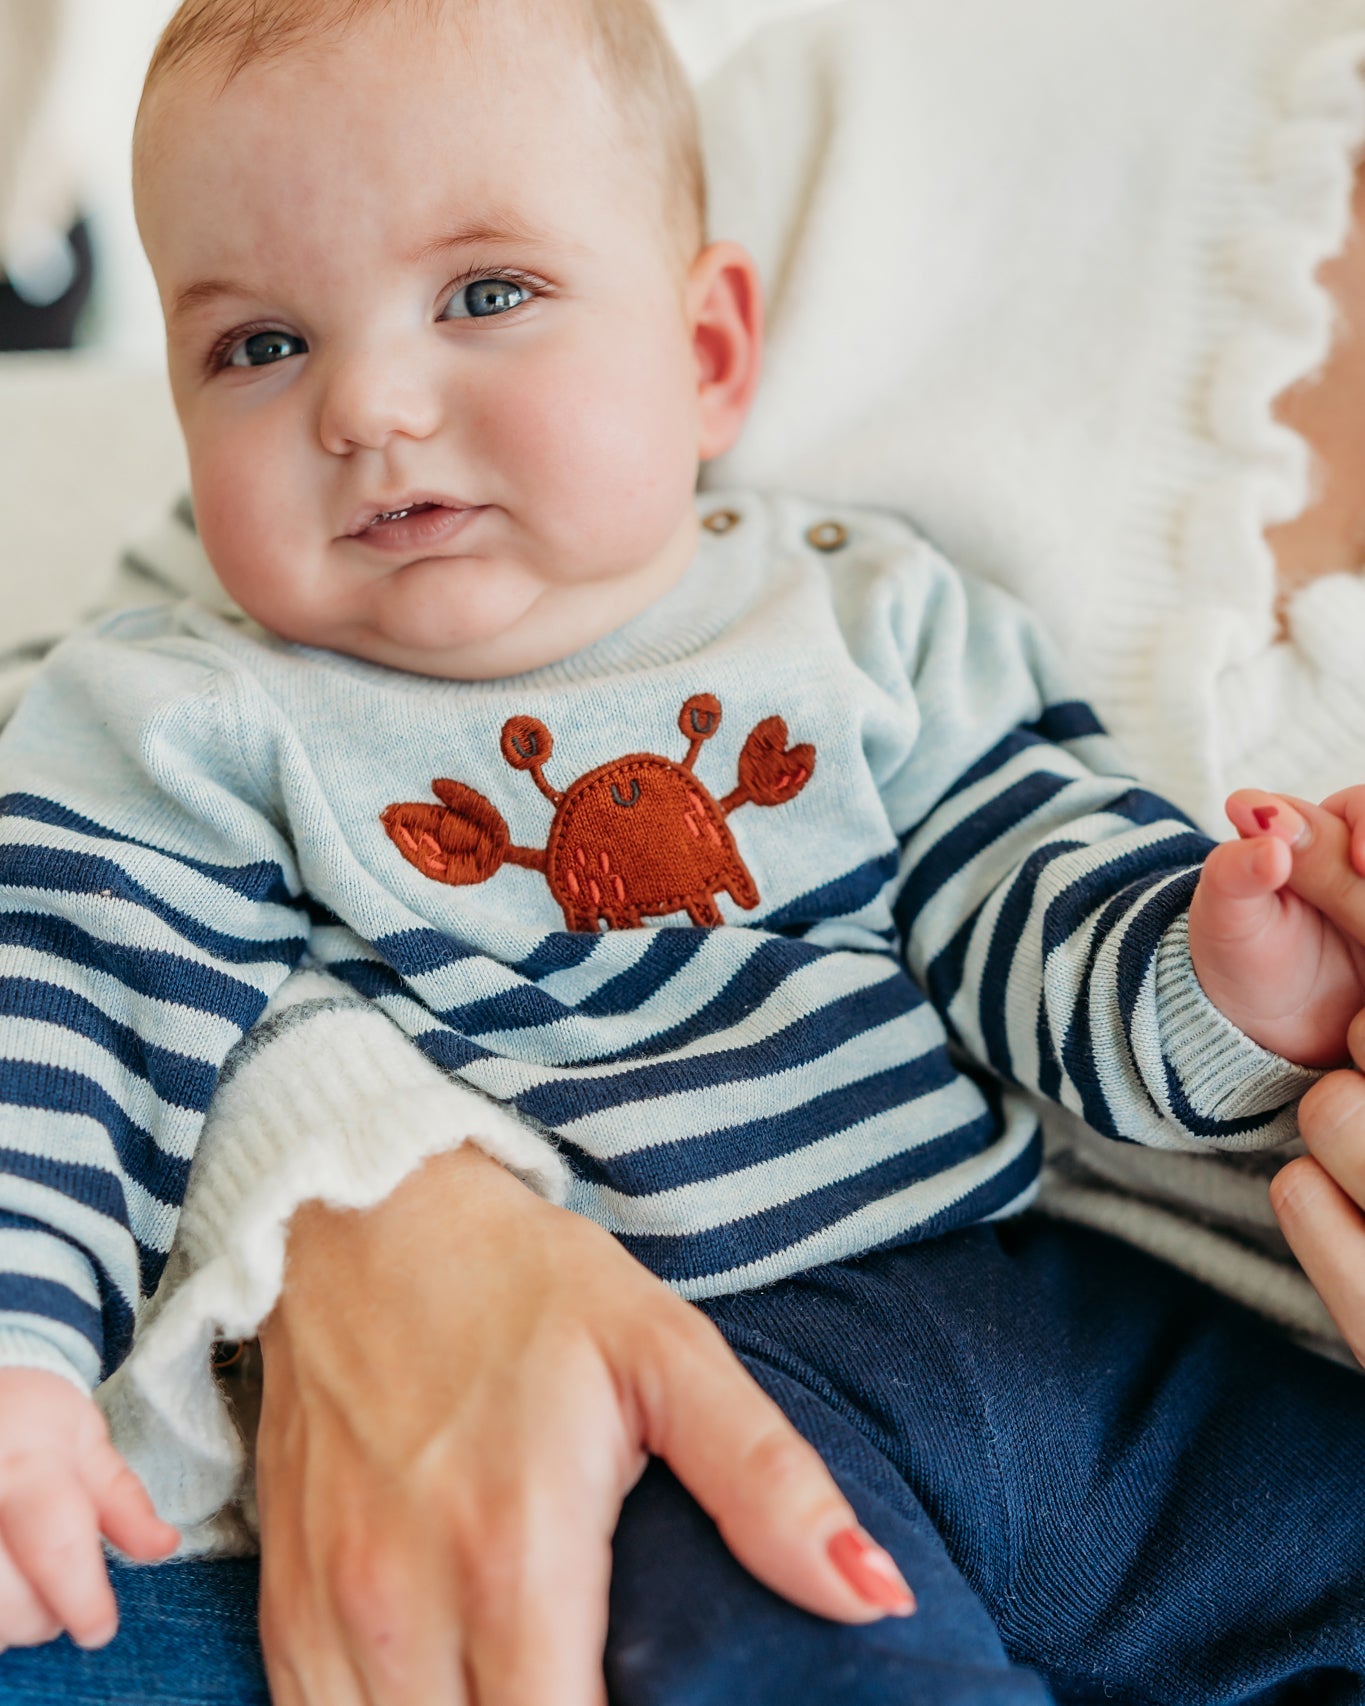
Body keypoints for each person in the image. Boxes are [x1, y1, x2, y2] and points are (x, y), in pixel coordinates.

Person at [3, 3, 1365, 1704]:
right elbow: (60, 1034)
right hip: (672, 1380)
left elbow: (1034, 898)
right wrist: (23, 1360)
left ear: (711, 350)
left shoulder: (867, 610)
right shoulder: (185, 709)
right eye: (256, 346)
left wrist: (1228, 973)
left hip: (1048, 1312)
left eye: (484, 294)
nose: (365, 401)